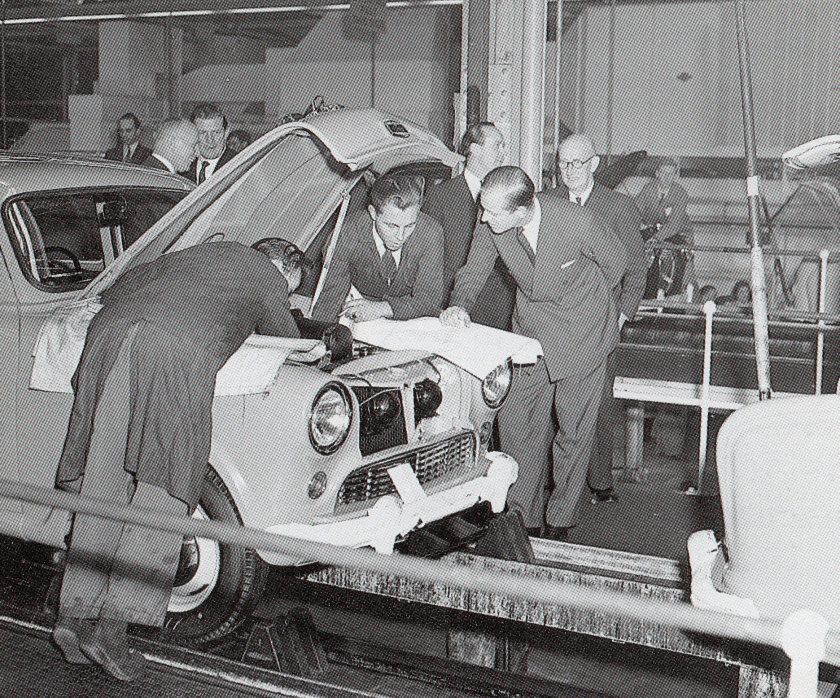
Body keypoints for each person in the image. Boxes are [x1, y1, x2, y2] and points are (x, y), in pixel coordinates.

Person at [52, 238, 307, 681]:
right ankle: (111, 630)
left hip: (110, 340)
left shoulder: (191, 254)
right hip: (171, 355)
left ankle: (72, 619)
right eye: (289, 287)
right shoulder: (263, 271)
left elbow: (114, 291)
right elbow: (287, 340)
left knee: (103, 486)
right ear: (281, 265)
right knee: (163, 492)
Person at [441, 166, 626, 541]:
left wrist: (589, 306)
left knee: (573, 431)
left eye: (491, 213)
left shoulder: (577, 222)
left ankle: (559, 520)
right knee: (515, 421)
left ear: (522, 212)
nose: (483, 217)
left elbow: (616, 263)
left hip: (582, 332)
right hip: (530, 332)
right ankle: (523, 518)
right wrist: (459, 304)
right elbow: (473, 270)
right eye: (483, 210)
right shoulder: (494, 222)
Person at [554, 134, 646, 504]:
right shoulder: (548, 203)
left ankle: (600, 480)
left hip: (603, 323)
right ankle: (557, 483)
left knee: (599, 403)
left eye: (578, 163)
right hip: (557, 321)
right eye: (563, 164)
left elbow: (636, 267)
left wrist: (622, 314)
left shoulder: (618, 206)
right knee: (558, 404)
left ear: (593, 164)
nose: (570, 170)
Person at [311, 171, 444, 323]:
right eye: (391, 226)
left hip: (410, 319)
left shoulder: (431, 233)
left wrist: (380, 309)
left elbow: (429, 301)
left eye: (409, 225)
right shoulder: (347, 233)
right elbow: (330, 298)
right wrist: (321, 338)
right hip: (358, 309)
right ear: (373, 213)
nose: (400, 236)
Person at [422, 122, 516, 329]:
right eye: (497, 145)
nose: (503, 152)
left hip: (499, 307)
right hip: (453, 306)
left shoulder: (509, 196)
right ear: (474, 148)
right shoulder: (441, 196)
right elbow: (429, 256)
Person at [636, 157, 694, 296]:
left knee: (679, 254)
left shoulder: (680, 193)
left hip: (678, 232)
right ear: (657, 173)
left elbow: (674, 224)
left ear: (675, 175)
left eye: (671, 174)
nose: (667, 177)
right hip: (652, 229)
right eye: (663, 173)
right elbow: (635, 211)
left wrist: (656, 238)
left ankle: (677, 290)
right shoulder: (648, 189)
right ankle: (643, 290)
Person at [185, 102, 236, 183]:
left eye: (216, 132)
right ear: (191, 134)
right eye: (202, 133)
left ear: (226, 133)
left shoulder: (238, 164)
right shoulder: (182, 165)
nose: (210, 140)